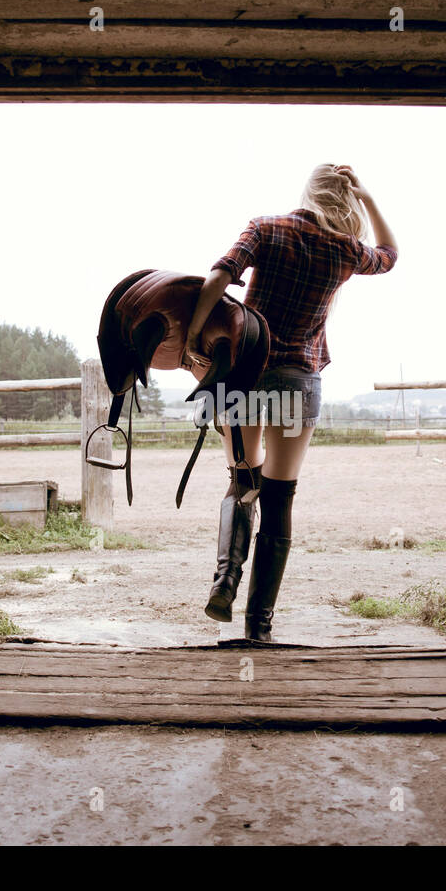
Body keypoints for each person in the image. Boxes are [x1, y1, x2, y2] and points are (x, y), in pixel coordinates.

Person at [183, 164, 398, 641]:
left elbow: (220, 274)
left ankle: (224, 582)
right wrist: (368, 197)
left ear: (308, 192)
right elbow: (389, 255)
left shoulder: (267, 228)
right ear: (345, 201)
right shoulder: (344, 250)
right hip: (296, 384)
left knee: (243, 481)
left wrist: (197, 330)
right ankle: (258, 624)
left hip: (244, 375)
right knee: (278, 499)